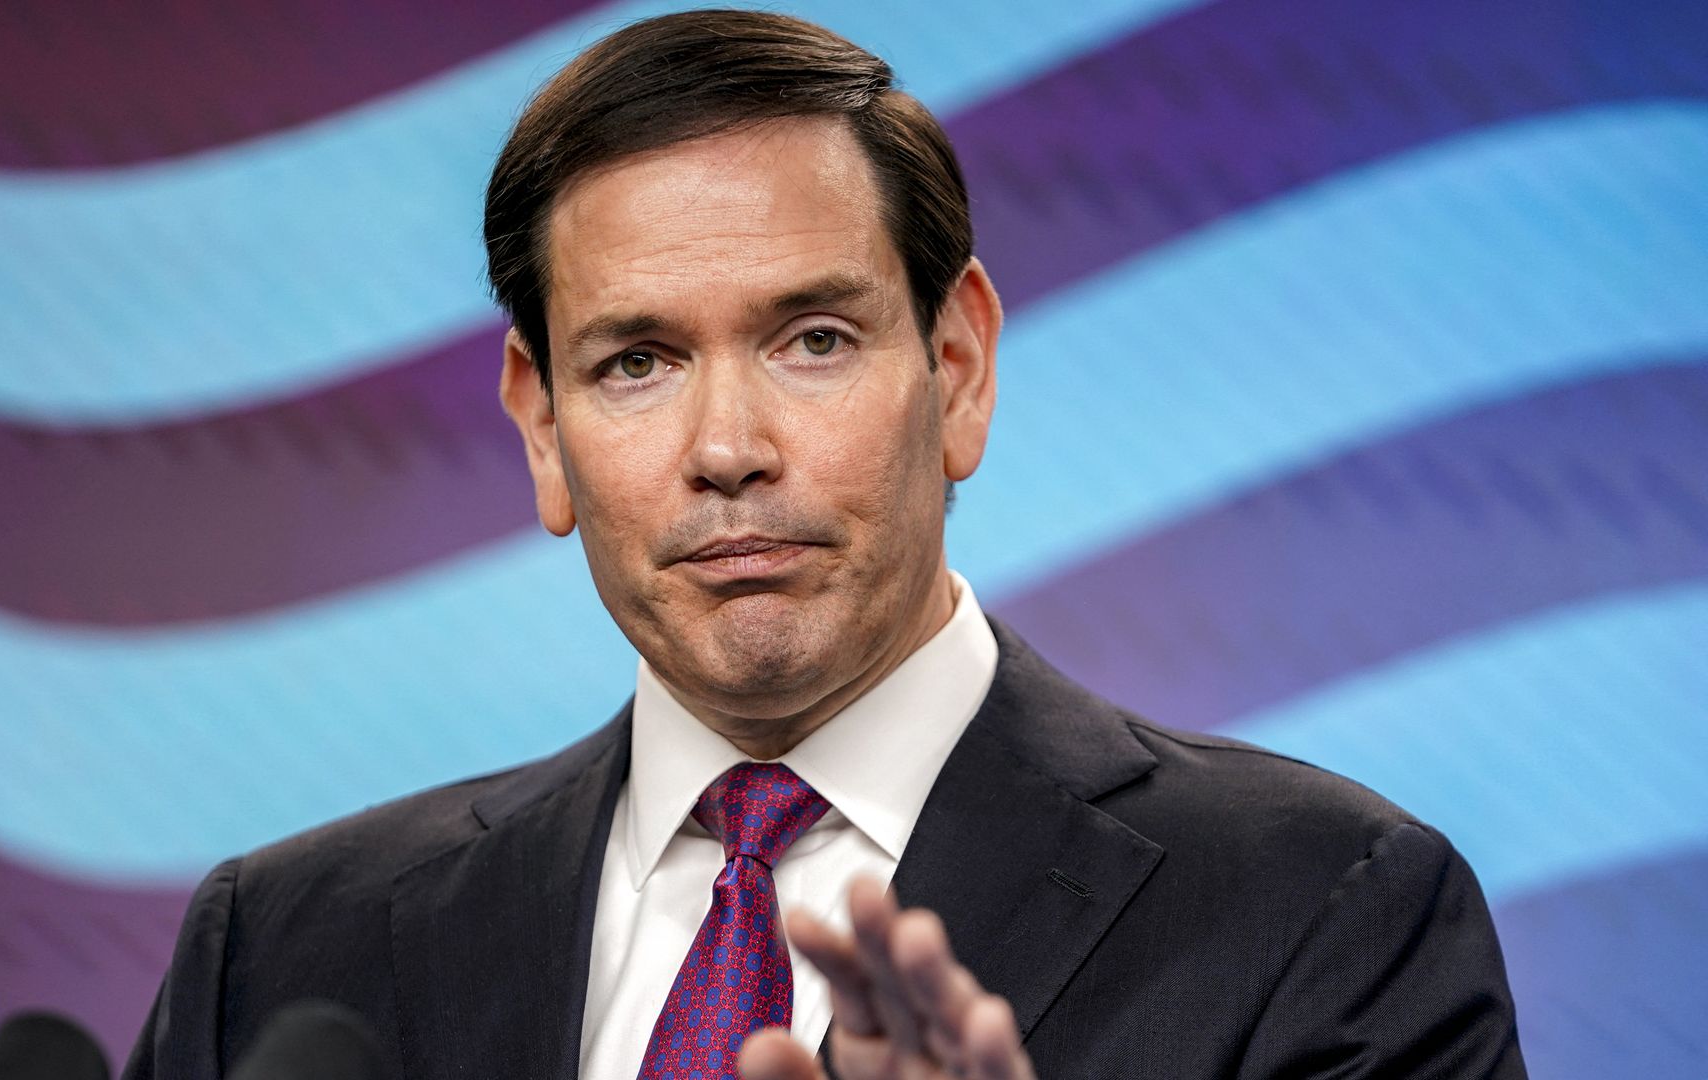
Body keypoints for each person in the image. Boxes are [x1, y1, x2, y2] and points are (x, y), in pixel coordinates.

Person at [124, 10, 1526, 1079]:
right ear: (542, 427)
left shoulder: (1323, 912)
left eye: (813, 340)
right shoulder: (284, 950)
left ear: (958, 367)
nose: (728, 447)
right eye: (635, 363)